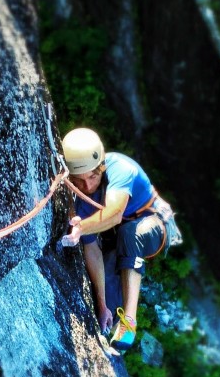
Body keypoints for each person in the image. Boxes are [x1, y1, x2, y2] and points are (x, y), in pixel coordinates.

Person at [59, 127, 181, 352]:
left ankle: (130, 323)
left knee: (129, 234)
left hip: (155, 221)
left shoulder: (120, 168)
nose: (88, 186)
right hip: (120, 233)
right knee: (107, 276)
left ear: (102, 165)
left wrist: (82, 227)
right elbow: (91, 249)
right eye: (79, 181)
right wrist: (102, 303)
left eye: (93, 176)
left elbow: (115, 214)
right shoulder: (82, 200)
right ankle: (112, 330)